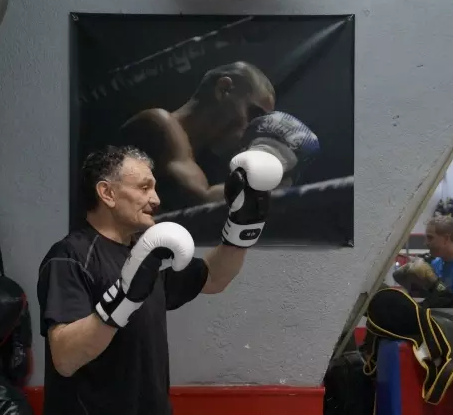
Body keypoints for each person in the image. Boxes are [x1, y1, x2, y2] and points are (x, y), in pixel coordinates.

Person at [36, 145, 283, 415]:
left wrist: (243, 226)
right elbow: (65, 358)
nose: (155, 199)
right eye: (144, 188)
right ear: (107, 193)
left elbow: (214, 277)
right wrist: (125, 296)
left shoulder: (144, 255)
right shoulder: (70, 256)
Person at [118, 61, 318, 213]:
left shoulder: (205, 162)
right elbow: (203, 203)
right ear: (224, 89)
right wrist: (272, 171)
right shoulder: (157, 123)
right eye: (253, 114)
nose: (253, 127)